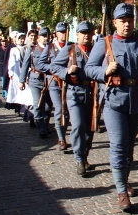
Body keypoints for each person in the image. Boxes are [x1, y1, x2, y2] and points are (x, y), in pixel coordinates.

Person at [84, 3, 138, 212]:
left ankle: (125, 181)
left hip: (137, 101)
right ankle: (121, 191)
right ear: (115, 23)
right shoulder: (105, 43)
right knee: (119, 144)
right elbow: (89, 69)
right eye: (122, 21)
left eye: (129, 21)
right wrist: (105, 71)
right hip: (114, 101)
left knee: (129, 146)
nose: (127, 24)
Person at [50, 21, 96, 176]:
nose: (86, 36)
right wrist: (67, 71)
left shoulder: (97, 50)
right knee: (77, 125)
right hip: (74, 93)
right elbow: (54, 67)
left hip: (92, 93)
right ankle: (79, 159)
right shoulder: (69, 49)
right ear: (77, 35)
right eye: (83, 33)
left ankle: (85, 156)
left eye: (89, 33)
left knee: (90, 128)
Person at [38, 22, 71, 150]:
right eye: (61, 32)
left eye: (65, 31)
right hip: (54, 82)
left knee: (66, 111)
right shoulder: (50, 47)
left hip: (68, 83)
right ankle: (61, 139)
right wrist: (53, 69)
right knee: (59, 109)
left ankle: (63, 134)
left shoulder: (71, 46)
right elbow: (40, 65)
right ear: (56, 33)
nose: (64, 34)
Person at [20, 28, 52, 138]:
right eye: (43, 35)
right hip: (35, 80)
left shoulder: (51, 49)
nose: (46, 38)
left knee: (48, 106)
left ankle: (45, 124)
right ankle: (41, 128)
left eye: (47, 35)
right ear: (39, 37)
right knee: (38, 104)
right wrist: (22, 80)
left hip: (49, 81)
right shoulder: (33, 49)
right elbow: (25, 65)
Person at [7, 33, 34, 118]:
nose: (22, 40)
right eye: (20, 39)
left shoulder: (27, 48)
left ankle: (26, 109)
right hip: (17, 72)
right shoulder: (14, 49)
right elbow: (11, 62)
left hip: (26, 71)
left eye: (23, 39)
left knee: (26, 92)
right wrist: (10, 72)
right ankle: (17, 108)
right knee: (18, 92)